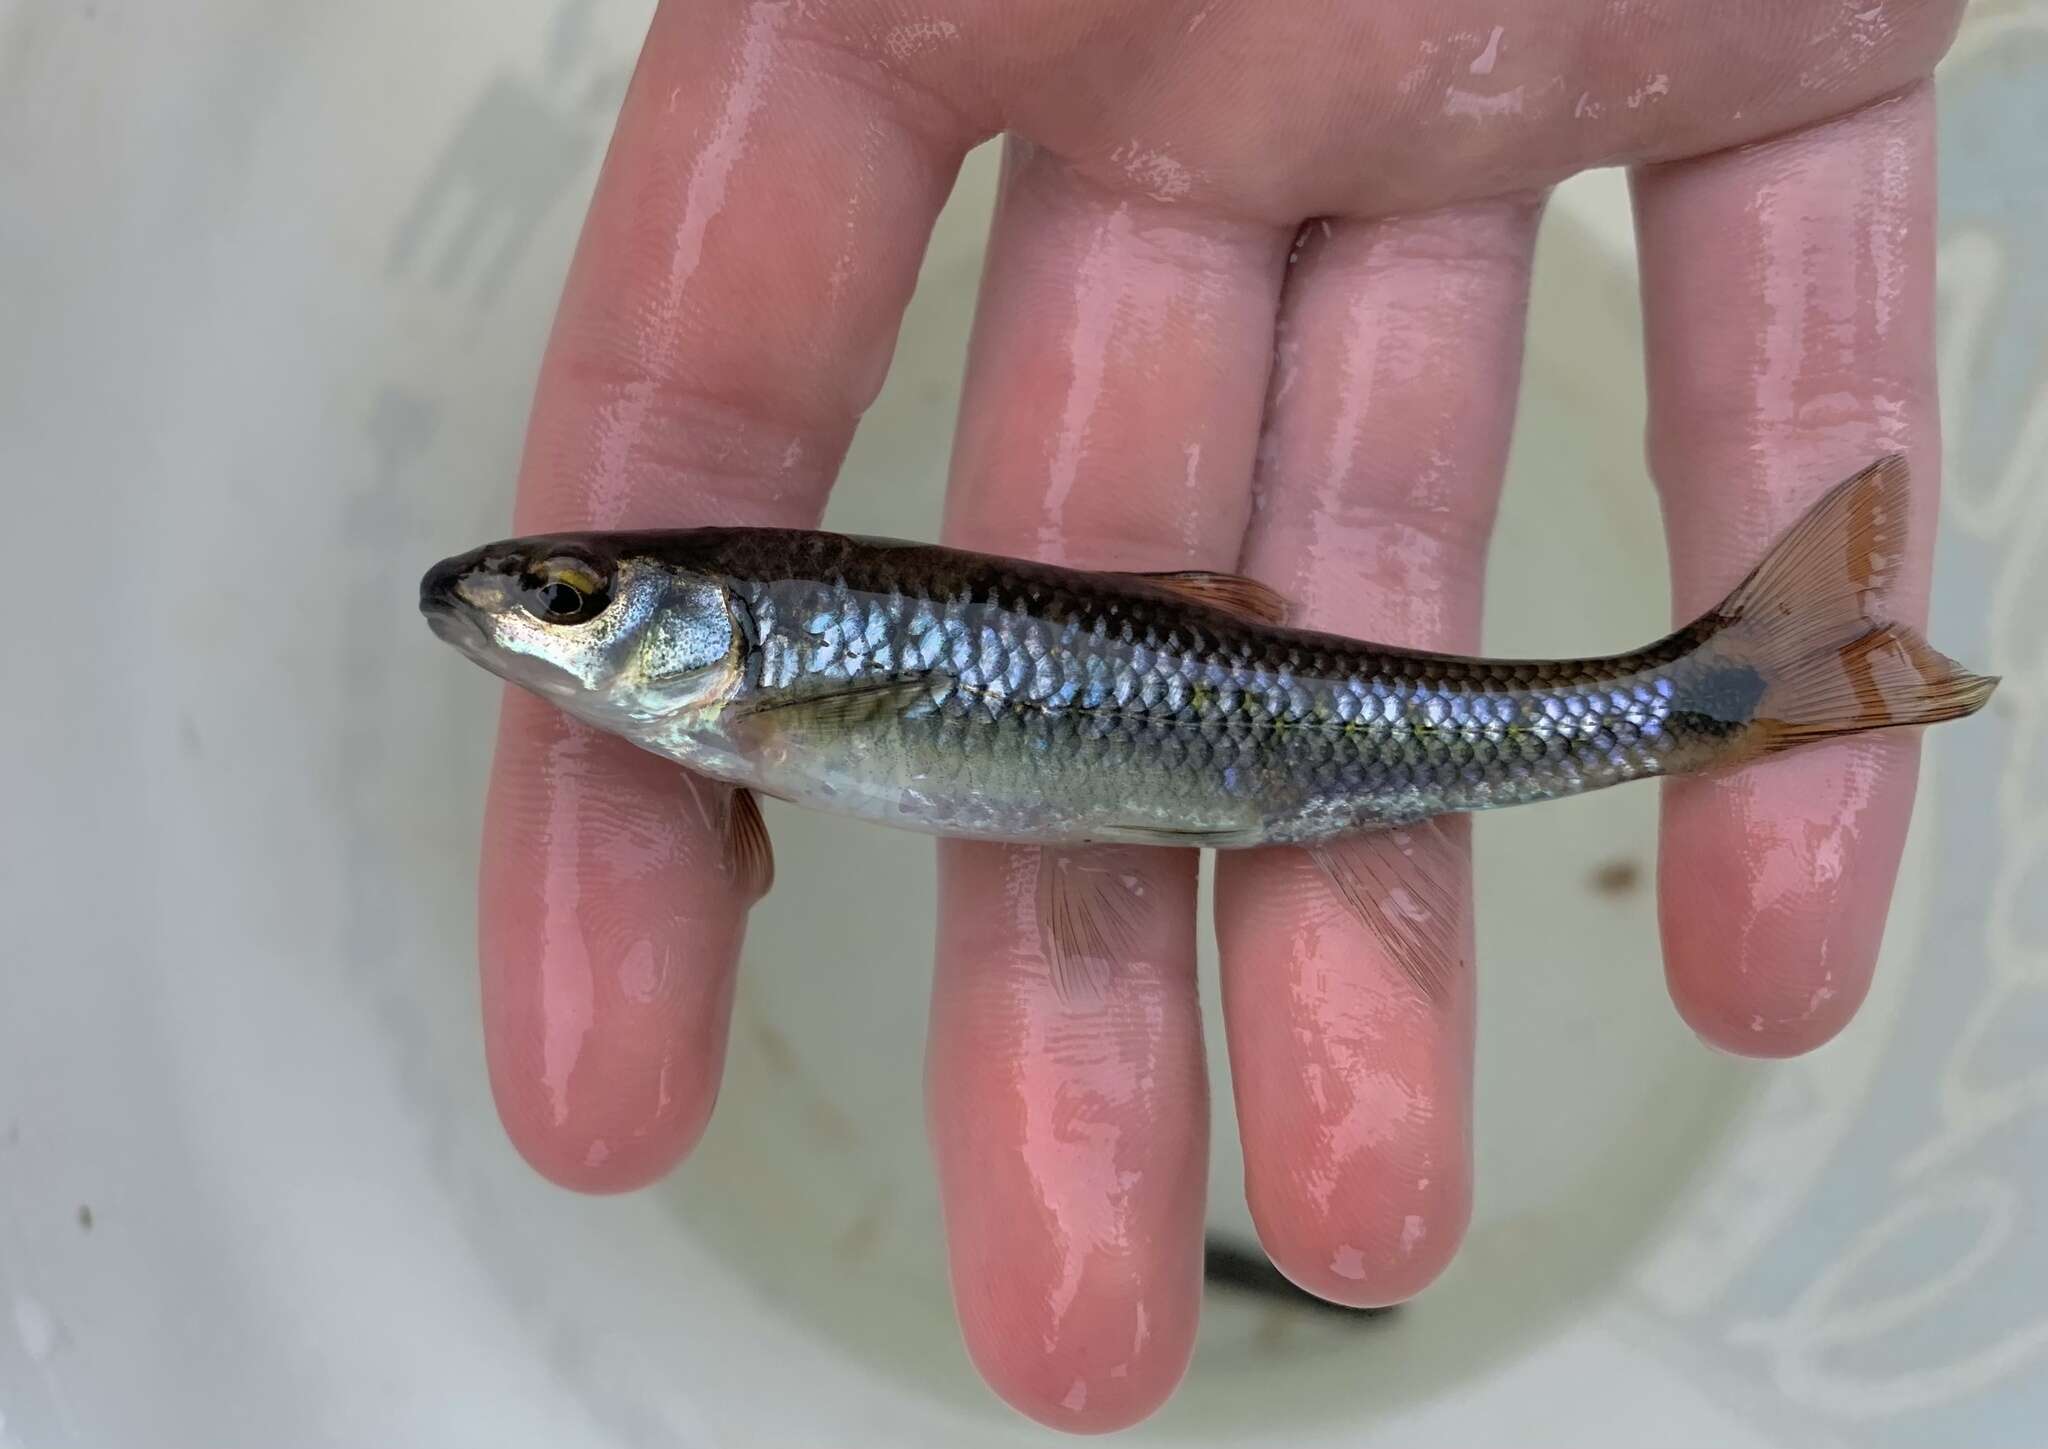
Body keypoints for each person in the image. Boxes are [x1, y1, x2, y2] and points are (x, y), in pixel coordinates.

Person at [474, 0, 1961, 1430]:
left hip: (1263, 747)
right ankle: (1727, 688)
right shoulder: (745, 702)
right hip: (1243, 751)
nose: (524, 617)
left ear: (711, 623)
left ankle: (1720, 690)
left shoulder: (754, 694)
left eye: (566, 597)